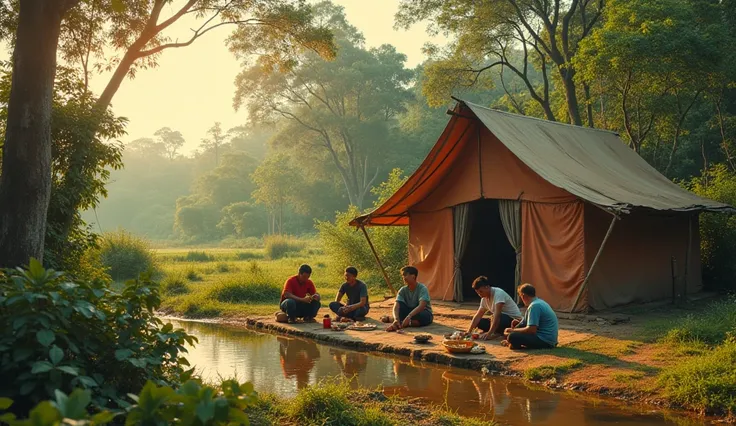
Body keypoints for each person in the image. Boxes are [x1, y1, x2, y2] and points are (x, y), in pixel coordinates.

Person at [502, 283, 558, 349]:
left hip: (545, 341)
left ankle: (514, 345)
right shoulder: (539, 302)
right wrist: (517, 325)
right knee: (513, 334)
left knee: (512, 336)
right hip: (549, 339)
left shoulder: (534, 306)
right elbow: (525, 323)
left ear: (523, 296)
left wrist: (512, 331)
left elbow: (531, 330)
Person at [385, 266, 433, 331]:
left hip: (419, 312)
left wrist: (408, 317)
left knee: (425, 317)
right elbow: (396, 306)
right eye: (402, 276)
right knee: (399, 310)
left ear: (413, 276)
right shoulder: (402, 290)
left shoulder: (422, 288)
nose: (403, 278)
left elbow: (421, 306)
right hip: (409, 312)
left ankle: (399, 322)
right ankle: (398, 322)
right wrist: (396, 318)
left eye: (405, 275)